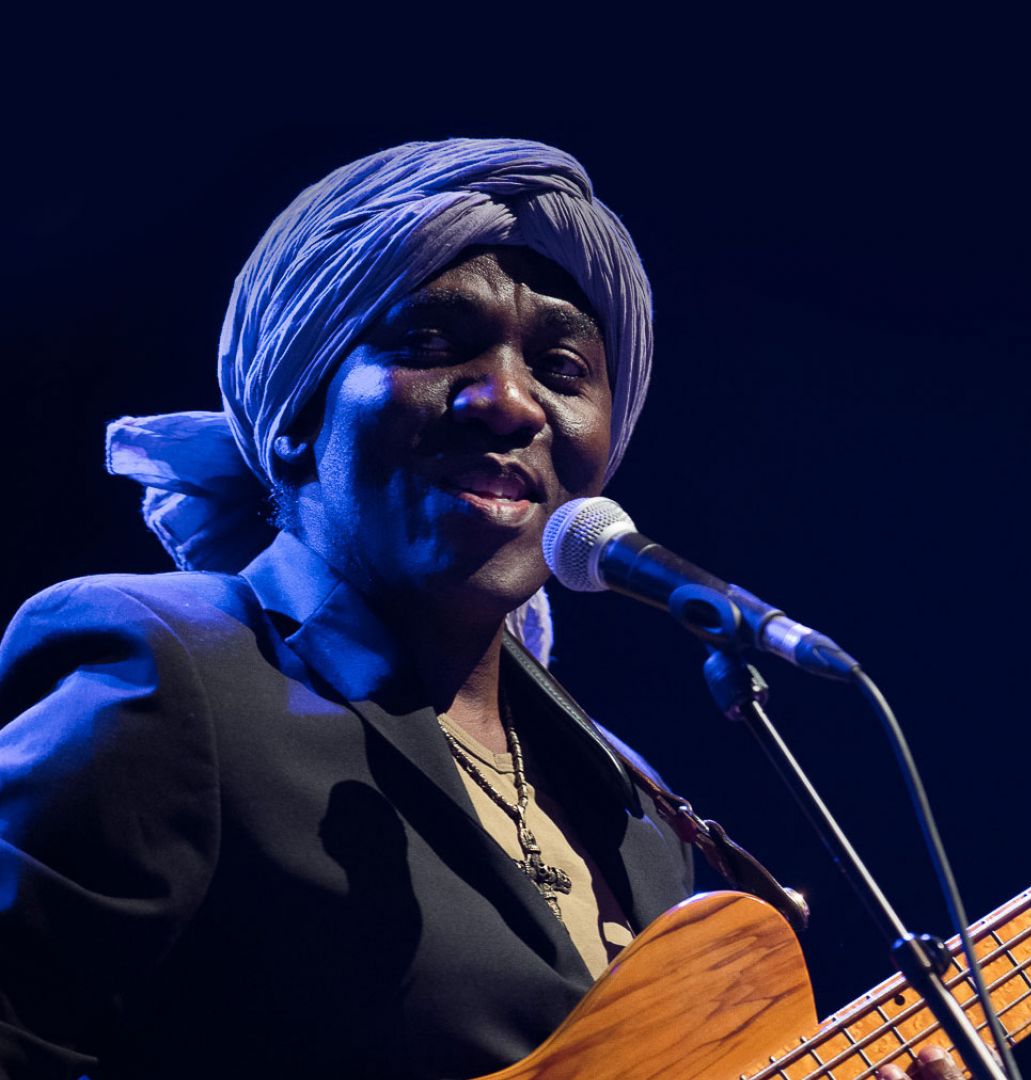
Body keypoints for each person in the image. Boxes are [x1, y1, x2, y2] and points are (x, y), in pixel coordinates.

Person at [0, 139, 696, 1080]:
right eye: (431, 344)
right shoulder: (169, 670)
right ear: (295, 417)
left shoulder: (636, 818)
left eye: (563, 368)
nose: (510, 403)